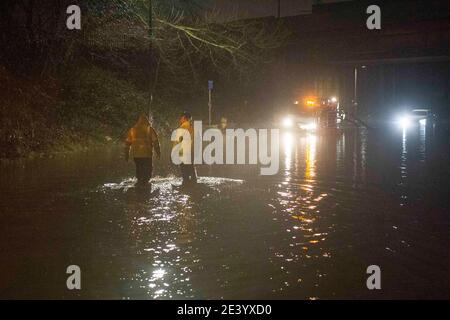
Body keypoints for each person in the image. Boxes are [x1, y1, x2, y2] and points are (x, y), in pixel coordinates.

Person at [125, 114, 161, 185]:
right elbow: (156, 142)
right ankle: (145, 183)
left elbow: (127, 144)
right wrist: (158, 152)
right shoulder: (149, 129)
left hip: (136, 155)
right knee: (148, 169)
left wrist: (126, 155)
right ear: (147, 121)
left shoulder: (132, 130)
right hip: (147, 154)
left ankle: (139, 181)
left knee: (139, 168)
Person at [175, 112, 197, 186]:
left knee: (185, 172)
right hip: (190, 151)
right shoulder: (191, 127)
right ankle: (193, 186)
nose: (180, 120)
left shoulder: (183, 126)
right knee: (191, 169)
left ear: (184, 118)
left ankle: (186, 186)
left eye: (181, 118)